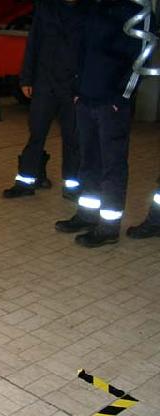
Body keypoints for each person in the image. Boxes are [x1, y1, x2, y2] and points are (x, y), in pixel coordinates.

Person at [55, 0, 142, 247]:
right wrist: (77, 90)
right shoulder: (94, 8)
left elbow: (140, 61)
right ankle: (87, 215)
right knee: (88, 162)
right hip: (86, 100)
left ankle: (109, 227)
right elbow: (82, 50)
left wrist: (121, 97)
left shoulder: (135, 14)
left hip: (112, 105)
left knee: (112, 167)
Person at [3, 0, 87, 200]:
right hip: (45, 84)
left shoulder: (90, 11)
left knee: (72, 139)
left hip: (73, 88)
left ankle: (72, 186)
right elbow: (33, 44)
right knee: (36, 135)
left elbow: (91, 53)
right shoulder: (46, 8)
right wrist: (26, 78)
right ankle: (25, 182)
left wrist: (85, 87)